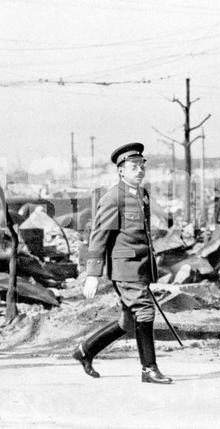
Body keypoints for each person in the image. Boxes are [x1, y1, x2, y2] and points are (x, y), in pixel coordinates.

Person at [72, 142, 172, 384]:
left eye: (142, 166)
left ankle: (85, 351)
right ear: (121, 171)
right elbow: (98, 236)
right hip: (124, 268)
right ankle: (149, 369)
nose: (139, 170)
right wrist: (93, 273)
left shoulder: (142, 194)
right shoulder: (112, 198)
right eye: (133, 166)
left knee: (128, 322)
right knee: (145, 310)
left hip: (140, 267)